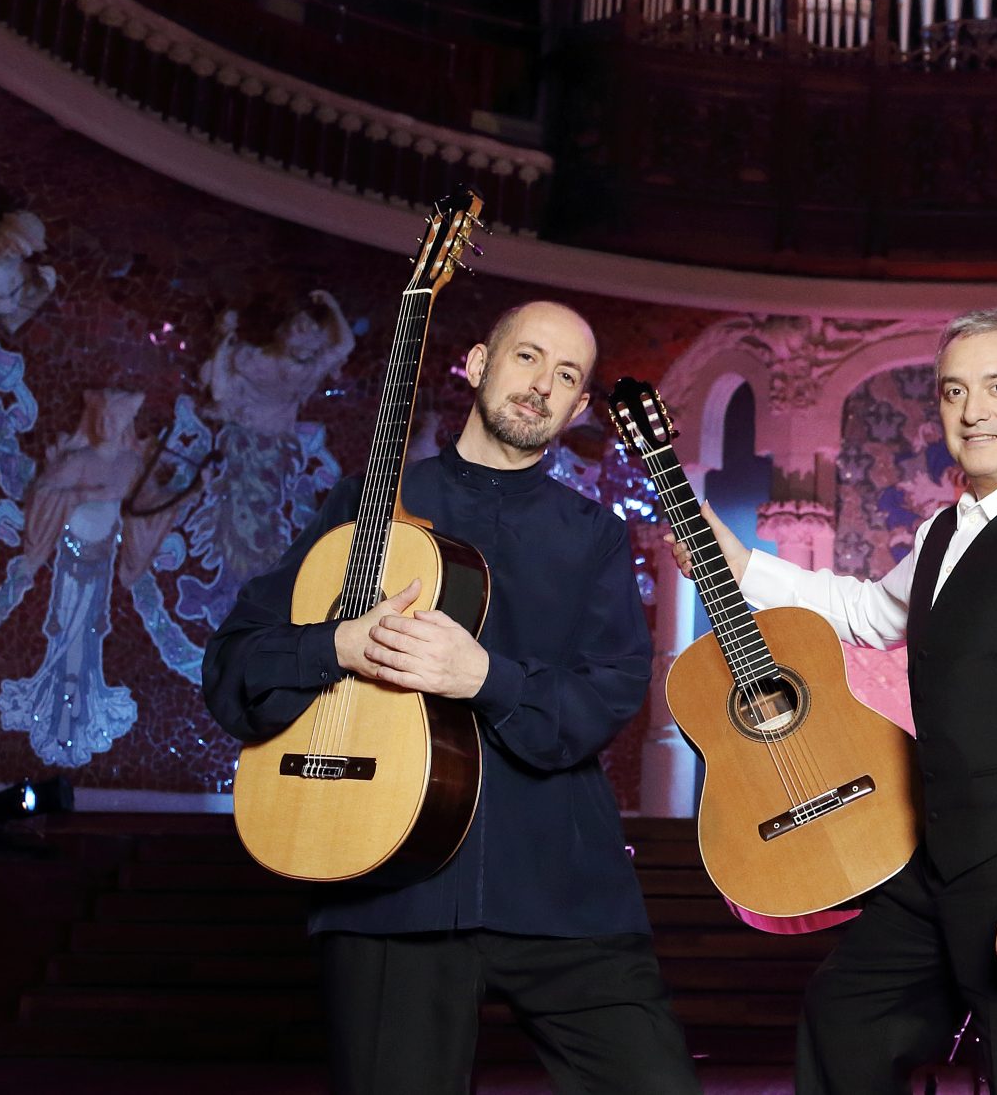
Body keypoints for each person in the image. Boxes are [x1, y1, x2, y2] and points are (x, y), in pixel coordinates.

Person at [203, 301, 700, 1095]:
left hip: (561, 891)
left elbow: (606, 699)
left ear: (578, 411)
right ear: (475, 363)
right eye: (527, 357)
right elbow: (234, 669)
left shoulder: (594, 536)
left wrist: (484, 678)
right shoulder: (365, 507)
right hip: (390, 895)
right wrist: (336, 644)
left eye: (566, 376)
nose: (541, 385)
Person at [680, 308, 997, 1094]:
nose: (974, 410)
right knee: (849, 1017)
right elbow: (872, 614)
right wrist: (740, 564)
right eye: (954, 391)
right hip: (944, 850)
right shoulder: (946, 528)